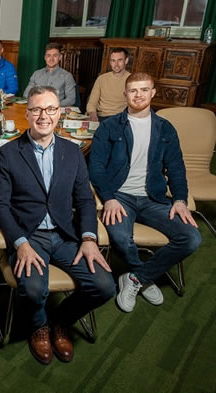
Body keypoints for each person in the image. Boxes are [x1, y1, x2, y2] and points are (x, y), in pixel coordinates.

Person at [0, 86, 115, 365]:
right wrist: (19, 243)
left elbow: (84, 199)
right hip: (29, 235)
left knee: (105, 286)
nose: (43, 115)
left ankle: (59, 322)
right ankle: (39, 327)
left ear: (59, 113)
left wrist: (89, 239)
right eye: (36, 109)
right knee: (33, 289)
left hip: (66, 234)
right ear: (27, 113)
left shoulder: (73, 152)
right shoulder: (8, 153)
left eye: (49, 109)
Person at [89, 72, 202, 313]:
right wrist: (108, 198)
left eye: (144, 90)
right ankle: (145, 276)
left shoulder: (165, 129)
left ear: (153, 93)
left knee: (192, 238)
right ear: (125, 94)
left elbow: (176, 169)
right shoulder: (109, 126)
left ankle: (136, 277)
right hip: (119, 196)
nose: (138, 95)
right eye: (133, 90)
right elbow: (96, 168)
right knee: (120, 237)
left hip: (153, 197)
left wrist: (180, 200)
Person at [86, 48, 131, 122]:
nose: (116, 64)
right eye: (113, 60)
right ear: (110, 62)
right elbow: (92, 102)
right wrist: (92, 113)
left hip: (120, 118)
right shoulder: (102, 78)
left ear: (126, 61)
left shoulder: (132, 80)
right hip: (101, 117)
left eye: (120, 60)